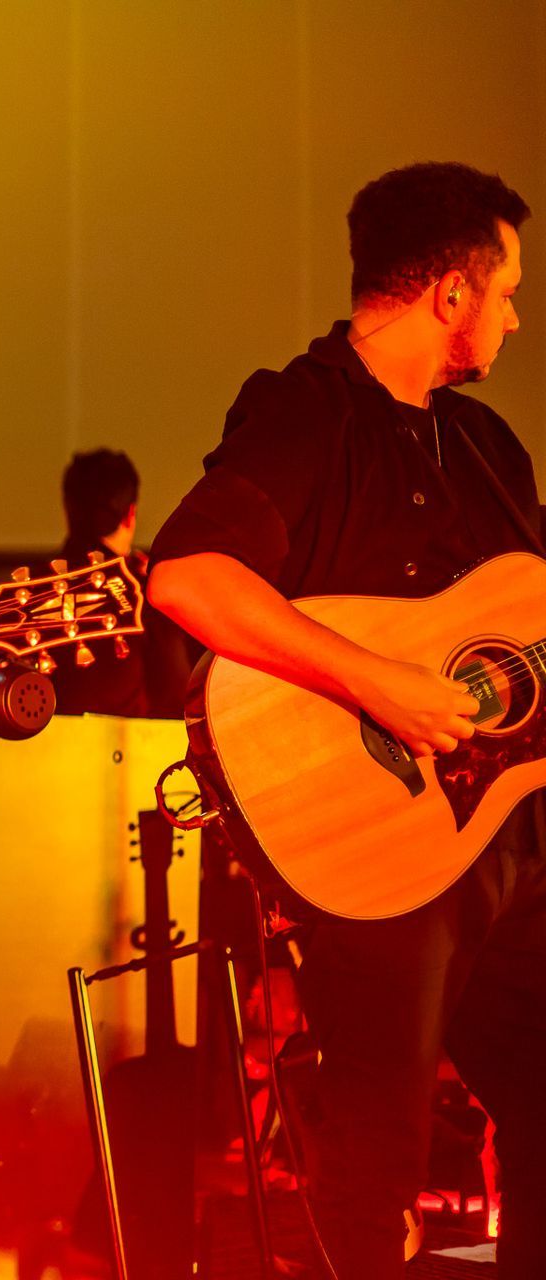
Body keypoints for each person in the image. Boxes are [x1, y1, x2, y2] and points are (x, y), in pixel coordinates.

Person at [150, 162, 539, 1277]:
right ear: (452, 294)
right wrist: (382, 682)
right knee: (375, 1167)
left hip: (511, 839)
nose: (516, 314)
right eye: (506, 290)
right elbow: (188, 577)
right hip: (378, 849)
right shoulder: (302, 411)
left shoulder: (488, 449)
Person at [47, 449, 193, 717]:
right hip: (129, 752)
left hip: (38, 751)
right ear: (130, 514)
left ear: (68, 509)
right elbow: (178, 696)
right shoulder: (146, 590)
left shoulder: (29, 589)